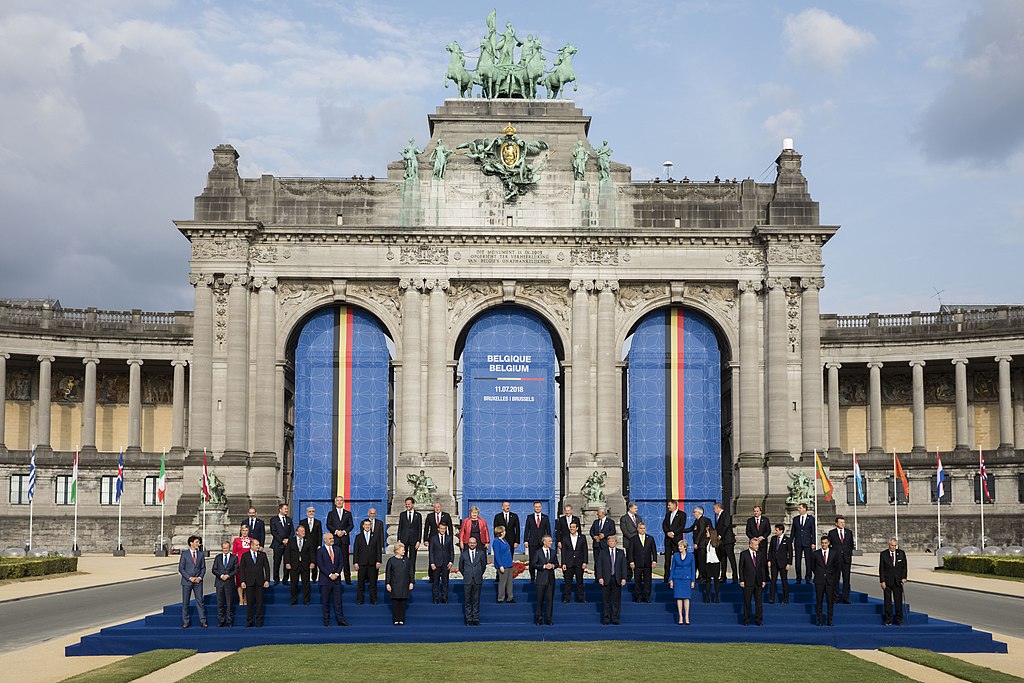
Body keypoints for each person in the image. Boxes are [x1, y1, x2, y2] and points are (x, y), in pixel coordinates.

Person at [316, 533, 349, 626]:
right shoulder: (320, 551)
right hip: (325, 580)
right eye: (330, 538)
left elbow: (341, 562)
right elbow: (320, 565)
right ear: (325, 540)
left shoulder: (337, 549)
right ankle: (326, 621)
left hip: (336, 580)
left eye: (332, 538)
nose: (332, 539)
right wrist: (330, 575)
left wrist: (337, 574)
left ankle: (340, 620)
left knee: (338, 602)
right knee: (325, 602)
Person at [596, 534, 627, 625]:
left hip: (617, 579)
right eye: (610, 541)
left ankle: (615, 618)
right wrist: (600, 577)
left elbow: (623, 566)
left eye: (613, 541)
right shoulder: (603, 552)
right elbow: (599, 566)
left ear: (616, 542)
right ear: (607, 543)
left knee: (616, 601)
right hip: (606, 579)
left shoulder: (620, 552)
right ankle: (606, 618)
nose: (612, 543)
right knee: (606, 600)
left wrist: (624, 578)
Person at [240, 538, 271, 627]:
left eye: (258, 545)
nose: (258, 547)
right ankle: (249, 621)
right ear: (251, 546)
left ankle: (259, 622)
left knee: (259, 603)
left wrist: (267, 580)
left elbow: (267, 568)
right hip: (249, 582)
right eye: (257, 545)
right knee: (250, 603)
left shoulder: (262, 555)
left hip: (260, 582)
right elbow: (241, 569)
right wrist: (242, 581)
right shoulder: (245, 555)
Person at [179, 535, 207, 628]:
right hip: (187, 581)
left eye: (199, 542)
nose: (198, 544)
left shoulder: (201, 554)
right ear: (191, 543)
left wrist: (200, 577)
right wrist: (189, 578)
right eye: (196, 542)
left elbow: (203, 568)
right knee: (185, 602)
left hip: (198, 582)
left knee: (200, 601)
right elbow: (181, 568)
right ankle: (186, 621)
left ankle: (203, 621)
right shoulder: (184, 554)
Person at [879, 537, 908, 626]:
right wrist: (882, 581)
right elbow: (881, 569)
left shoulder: (901, 553)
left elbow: (904, 567)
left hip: (898, 581)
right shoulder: (883, 554)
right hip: (887, 581)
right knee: (887, 602)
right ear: (889, 545)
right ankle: (888, 619)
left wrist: (904, 577)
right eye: (892, 545)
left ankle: (899, 619)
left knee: (898, 601)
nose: (893, 547)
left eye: (895, 546)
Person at [284, 524, 315, 605]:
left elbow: (312, 553)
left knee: (306, 583)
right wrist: (287, 563)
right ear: (297, 532)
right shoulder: (291, 541)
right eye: (302, 531)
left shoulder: (308, 541)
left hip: (305, 565)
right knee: (294, 583)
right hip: (294, 565)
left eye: (304, 531)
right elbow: (287, 553)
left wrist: (312, 562)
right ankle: (293, 599)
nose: (304, 532)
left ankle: (306, 600)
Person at [326, 496, 354, 584]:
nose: (339, 502)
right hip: (334, 540)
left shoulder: (348, 513)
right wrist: (336, 531)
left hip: (344, 540)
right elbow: (328, 525)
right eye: (337, 501)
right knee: (334, 560)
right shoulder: (331, 513)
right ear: (335, 503)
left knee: (345, 560)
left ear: (343, 502)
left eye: (341, 500)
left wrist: (344, 532)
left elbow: (351, 525)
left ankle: (348, 580)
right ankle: (335, 579)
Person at [353, 518, 382, 604]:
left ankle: (374, 599)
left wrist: (379, 561)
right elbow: (356, 551)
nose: (367, 526)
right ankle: (360, 600)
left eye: (369, 525)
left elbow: (378, 550)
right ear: (363, 526)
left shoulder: (376, 536)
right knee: (360, 583)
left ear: (371, 526)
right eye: (366, 525)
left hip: (372, 563)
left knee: (373, 583)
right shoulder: (358, 537)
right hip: (361, 563)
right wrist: (355, 562)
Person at [459, 536, 487, 625]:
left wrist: (478, 574)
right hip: (467, 580)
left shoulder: (481, 553)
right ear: (468, 543)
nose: (472, 544)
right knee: (467, 601)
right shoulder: (464, 554)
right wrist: (466, 574)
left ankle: (475, 618)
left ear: (476, 544)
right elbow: (461, 567)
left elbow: (483, 566)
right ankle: (468, 619)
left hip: (477, 580)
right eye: (470, 543)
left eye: (474, 543)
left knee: (476, 600)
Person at [386, 542, 415, 625]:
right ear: (397, 550)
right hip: (394, 585)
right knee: (395, 603)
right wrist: (387, 583)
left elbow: (410, 572)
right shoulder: (391, 560)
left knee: (403, 603)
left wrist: (411, 582)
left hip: (404, 584)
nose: (404, 551)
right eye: (402, 550)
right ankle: (396, 619)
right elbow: (388, 573)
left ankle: (401, 619)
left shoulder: (407, 560)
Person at [827, 516, 855, 603]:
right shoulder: (832, 533)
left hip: (846, 559)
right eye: (841, 522)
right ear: (836, 523)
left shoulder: (849, 532)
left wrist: (848, 553)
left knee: (846, 579)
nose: (843, 524)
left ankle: (846, 598)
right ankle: (835, 598)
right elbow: (829, 546)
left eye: (843, 522)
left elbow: (851, 545)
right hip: (836, 559)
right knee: (836, 579)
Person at [629, 522, 658, 603]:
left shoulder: (650, 538)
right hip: (637, 564)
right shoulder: (633, 539)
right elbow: (630, 552)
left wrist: (654, 561)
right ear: (638, 529)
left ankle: (647, 597)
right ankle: (638, 597)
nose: (642, 530)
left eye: (644, 528)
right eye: (641, 528)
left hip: (647, 564)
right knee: (637, 581)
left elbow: (654, 551)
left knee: (648, 581)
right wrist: (631, 561)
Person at [682, 506, 712, 586]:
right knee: (697, 560)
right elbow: (691, 529)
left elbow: (701, 531)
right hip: (698, 545)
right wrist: (679, 530)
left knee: (702, 560)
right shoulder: (697, 521)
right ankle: (700, 575)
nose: (693, 514)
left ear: (698, 512)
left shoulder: (702, 520)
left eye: (694, 512)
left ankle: (703, 576)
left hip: (701, 544)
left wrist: (696, 542)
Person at [560, 520, 588, 603]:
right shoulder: (565, 538)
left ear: (577, 528)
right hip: (569, 562)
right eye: (570, 527)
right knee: (568, 582)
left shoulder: (582, 537)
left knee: (580, 581)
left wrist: (585, 562)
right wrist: (563, 563)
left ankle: (581, 598)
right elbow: (563, 551)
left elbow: (585, 550)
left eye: (573, 527)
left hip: (579, 562)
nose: (571, 529)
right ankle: (566, 598)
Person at [211, 540, 238, 627]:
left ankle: (229, 621)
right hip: (219, 583)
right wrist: (221, 575)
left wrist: (228, 575)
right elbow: (214, 569)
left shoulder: (234, 558)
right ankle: (221, 621)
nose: (225, 550)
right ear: (222, 548)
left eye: (227, 548)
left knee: (229, 603)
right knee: (220, 603)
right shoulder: (218, 557)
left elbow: (236, 570)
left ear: (229, 548)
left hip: (229, 583)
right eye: (224, 548)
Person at [813, 535, 839, 626]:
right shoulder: (816, 553)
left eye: (825, 543)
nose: (824, 544)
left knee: (830, 601)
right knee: (819, 601)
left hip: (830, 581)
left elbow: (836, 566)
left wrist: (831, 575)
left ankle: (829, 621)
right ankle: (819, 620)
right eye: (822, 543)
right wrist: (819, 573)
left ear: (829, 543)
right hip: (819, 580)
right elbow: (813, 566)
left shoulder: (834, 553)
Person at [738, 538, 765, 626]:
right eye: (755, 545)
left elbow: (762, 568)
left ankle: (759, 620)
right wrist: (742, 580)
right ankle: (746, 620)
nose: (757, 546)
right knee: (747, 602)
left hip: (758, 582)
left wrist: (763, 580)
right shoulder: (744, 554)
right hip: (747, 582)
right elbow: (741, 568)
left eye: (758, 545)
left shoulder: (760, 554)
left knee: (759, 603)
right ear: (750, 545)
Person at [669, 539, 696, 625]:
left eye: (680, 546)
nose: (679, 548)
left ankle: (687, 616)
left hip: (687, 579)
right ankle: (680, 616)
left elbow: (693, 569)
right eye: (678, 546)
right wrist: (671, 580)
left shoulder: (691, 556)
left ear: (685, 547)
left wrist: (693, 581)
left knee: (686, 598)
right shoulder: (675, 555)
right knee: (679, 598)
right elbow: (672, 568)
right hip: (677, 578)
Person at [532, 535, 557, 625]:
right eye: (549, 541)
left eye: (551, 541)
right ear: (544, 542)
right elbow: (534, 564)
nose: (551, 543)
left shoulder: (553, 552)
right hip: (541, 580)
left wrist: (552, 566)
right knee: (540, 600)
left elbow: (556, 563)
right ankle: (539, 618)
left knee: (550, 600)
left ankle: (549, 619)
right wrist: (543, 566)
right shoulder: (538, 552)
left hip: (550, 580)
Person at [523, 501, 551, 583]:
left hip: (543, 543)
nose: (537, 508)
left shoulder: (545, 517)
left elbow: (548, 530)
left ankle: (541, 577)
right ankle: (532, 578)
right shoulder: (529, 517)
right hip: (532, 542)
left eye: (539, 506)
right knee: (532, 560)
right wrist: (525, 540)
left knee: (543, 560)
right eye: (536, 507)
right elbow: (527, 530)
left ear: (541, 507)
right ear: (534, 508)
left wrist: (548, 541)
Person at [428, 521, 455, 603]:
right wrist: (432, 563)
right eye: (441, 528)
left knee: (445, 582)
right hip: (436, 563)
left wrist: (451, 561)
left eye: (444, 529)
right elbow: (431, 551)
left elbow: (451, 551)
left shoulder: (449, 538)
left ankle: (444, 598)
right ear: (438, 529)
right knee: (435, 582)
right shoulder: (433, 538)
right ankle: (435, 598)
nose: (443, 530)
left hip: (446, 563)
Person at [766, 523, 792, 604]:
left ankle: (785, 598)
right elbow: (770, 550)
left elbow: (790, 552)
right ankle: (772, 598)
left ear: (781, 531)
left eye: (777, 530)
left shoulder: (787, 540)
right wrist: (769, 560)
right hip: (774, 563)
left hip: (783, 563)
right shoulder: (773, 539)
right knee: (773, 581)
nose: (775, 531)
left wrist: (789, 563)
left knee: (784, 581)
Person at [791, 502, 816, 585]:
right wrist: (790, 542)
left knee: (808, 561)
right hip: (798, 542)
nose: (798, 509)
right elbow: (793, 531)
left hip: (807, 542)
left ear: (805, 509)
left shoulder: (811, 519)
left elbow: (813, 531)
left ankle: (808, 578)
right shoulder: (795, 519)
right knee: (797, 561)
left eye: (800, 508)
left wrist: (813, 542)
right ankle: (798, 578)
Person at [712, 502, 737, 583]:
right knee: (723, 559)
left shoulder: (725, 514)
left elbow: (726, 526)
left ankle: (735, 577)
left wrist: (720, 535)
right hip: (721, 542)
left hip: (728, 541)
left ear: (718, 508)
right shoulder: (718, 517)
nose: (713, 510)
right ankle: (723, 576)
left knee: (731, 558)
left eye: (714, 508)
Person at [269, 502, 294, 585]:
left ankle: (285, 579)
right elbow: (274, 532)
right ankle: (276, 579)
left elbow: (292, 531)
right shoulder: (274, 520)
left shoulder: (289, 519)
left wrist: (288, 540)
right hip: (277, 544)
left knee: (287, 562)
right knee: (277, 562)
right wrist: (282, 540)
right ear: (280, 509)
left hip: (287, 545)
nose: (286, 510)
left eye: (287, 509)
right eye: (285, 509)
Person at [396, 497, 423, 571]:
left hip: (414, 541)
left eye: (409, 504)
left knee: (412, 559)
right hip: (404, 540)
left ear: (413, 504)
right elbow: (400, 527)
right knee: (403, 558)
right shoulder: (402, 514)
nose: (407, 506)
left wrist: (418, 541)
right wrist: (399, 539)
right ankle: (403, 574)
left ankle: (411, 575)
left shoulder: (418, 515)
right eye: (406, 504)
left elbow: (419, 529)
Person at [662, 500, 685, 582]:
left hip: (676, 541)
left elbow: (681, 526)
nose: (668, 507)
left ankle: (677, 577)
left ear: (675, 505)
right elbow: (664, 525)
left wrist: (673, 533)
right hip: (668, 540)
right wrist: (667, 532)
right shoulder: (667, 514)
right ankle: (666, 578)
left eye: (669, 505)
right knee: (667, 560)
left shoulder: (682, 514)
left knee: (677, 559)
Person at [298, 505, 323, 582]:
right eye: (310, 511)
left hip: (315, 546)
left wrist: (319, 545)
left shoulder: (318, 522)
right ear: (307, 513)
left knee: (314, 561)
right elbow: (300, 533)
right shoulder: (302, 522)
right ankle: (306, 578)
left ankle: (314, 578)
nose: (311, 513)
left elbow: (320, 534)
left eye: (313, 511)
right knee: (305, 561)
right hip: (305, 546)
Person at [620, 502, 642, 581]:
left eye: (637, 508)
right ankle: (628, 576)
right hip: (629, 542)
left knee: (638, 558)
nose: (637, 510)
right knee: (629, 558)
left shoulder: (638, 518)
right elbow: (624, 530)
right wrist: (633, 539)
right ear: (630, 508)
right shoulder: (624, 518)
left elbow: (641, 528)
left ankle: (638, 576)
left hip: (638, 542)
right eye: (635, 508)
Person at [231, 524, 253, 605]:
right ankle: (240, 598)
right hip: (239, 563)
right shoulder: (236, 540)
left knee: (247, 581)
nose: (245, 532)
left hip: (249, 564)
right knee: (239, 581)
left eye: (246, 530)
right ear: (241, 531)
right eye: (243, 530)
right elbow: (234, 553)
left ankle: (246, 598)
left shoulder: (251, 540)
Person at [492, 525, 515, 603]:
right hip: (503, 565)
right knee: (503, 582)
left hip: (509, 564)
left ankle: (510, 597)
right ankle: (501, 598)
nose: (505, 532)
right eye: (504, 531)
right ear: (501, 532)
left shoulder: (504, 540)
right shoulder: (496, 541)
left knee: (509, 582)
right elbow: (497, 554)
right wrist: (500, 565)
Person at [703, 528, 722, 603]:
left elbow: (721, 553)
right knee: (708, 580)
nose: (706, 533)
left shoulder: (718, 542)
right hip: (708, 563)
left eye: (707, 532)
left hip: (715, 563)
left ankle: (717, 597)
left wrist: (718, 559)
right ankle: (707, 597)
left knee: (716, 580)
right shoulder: (707, 542)